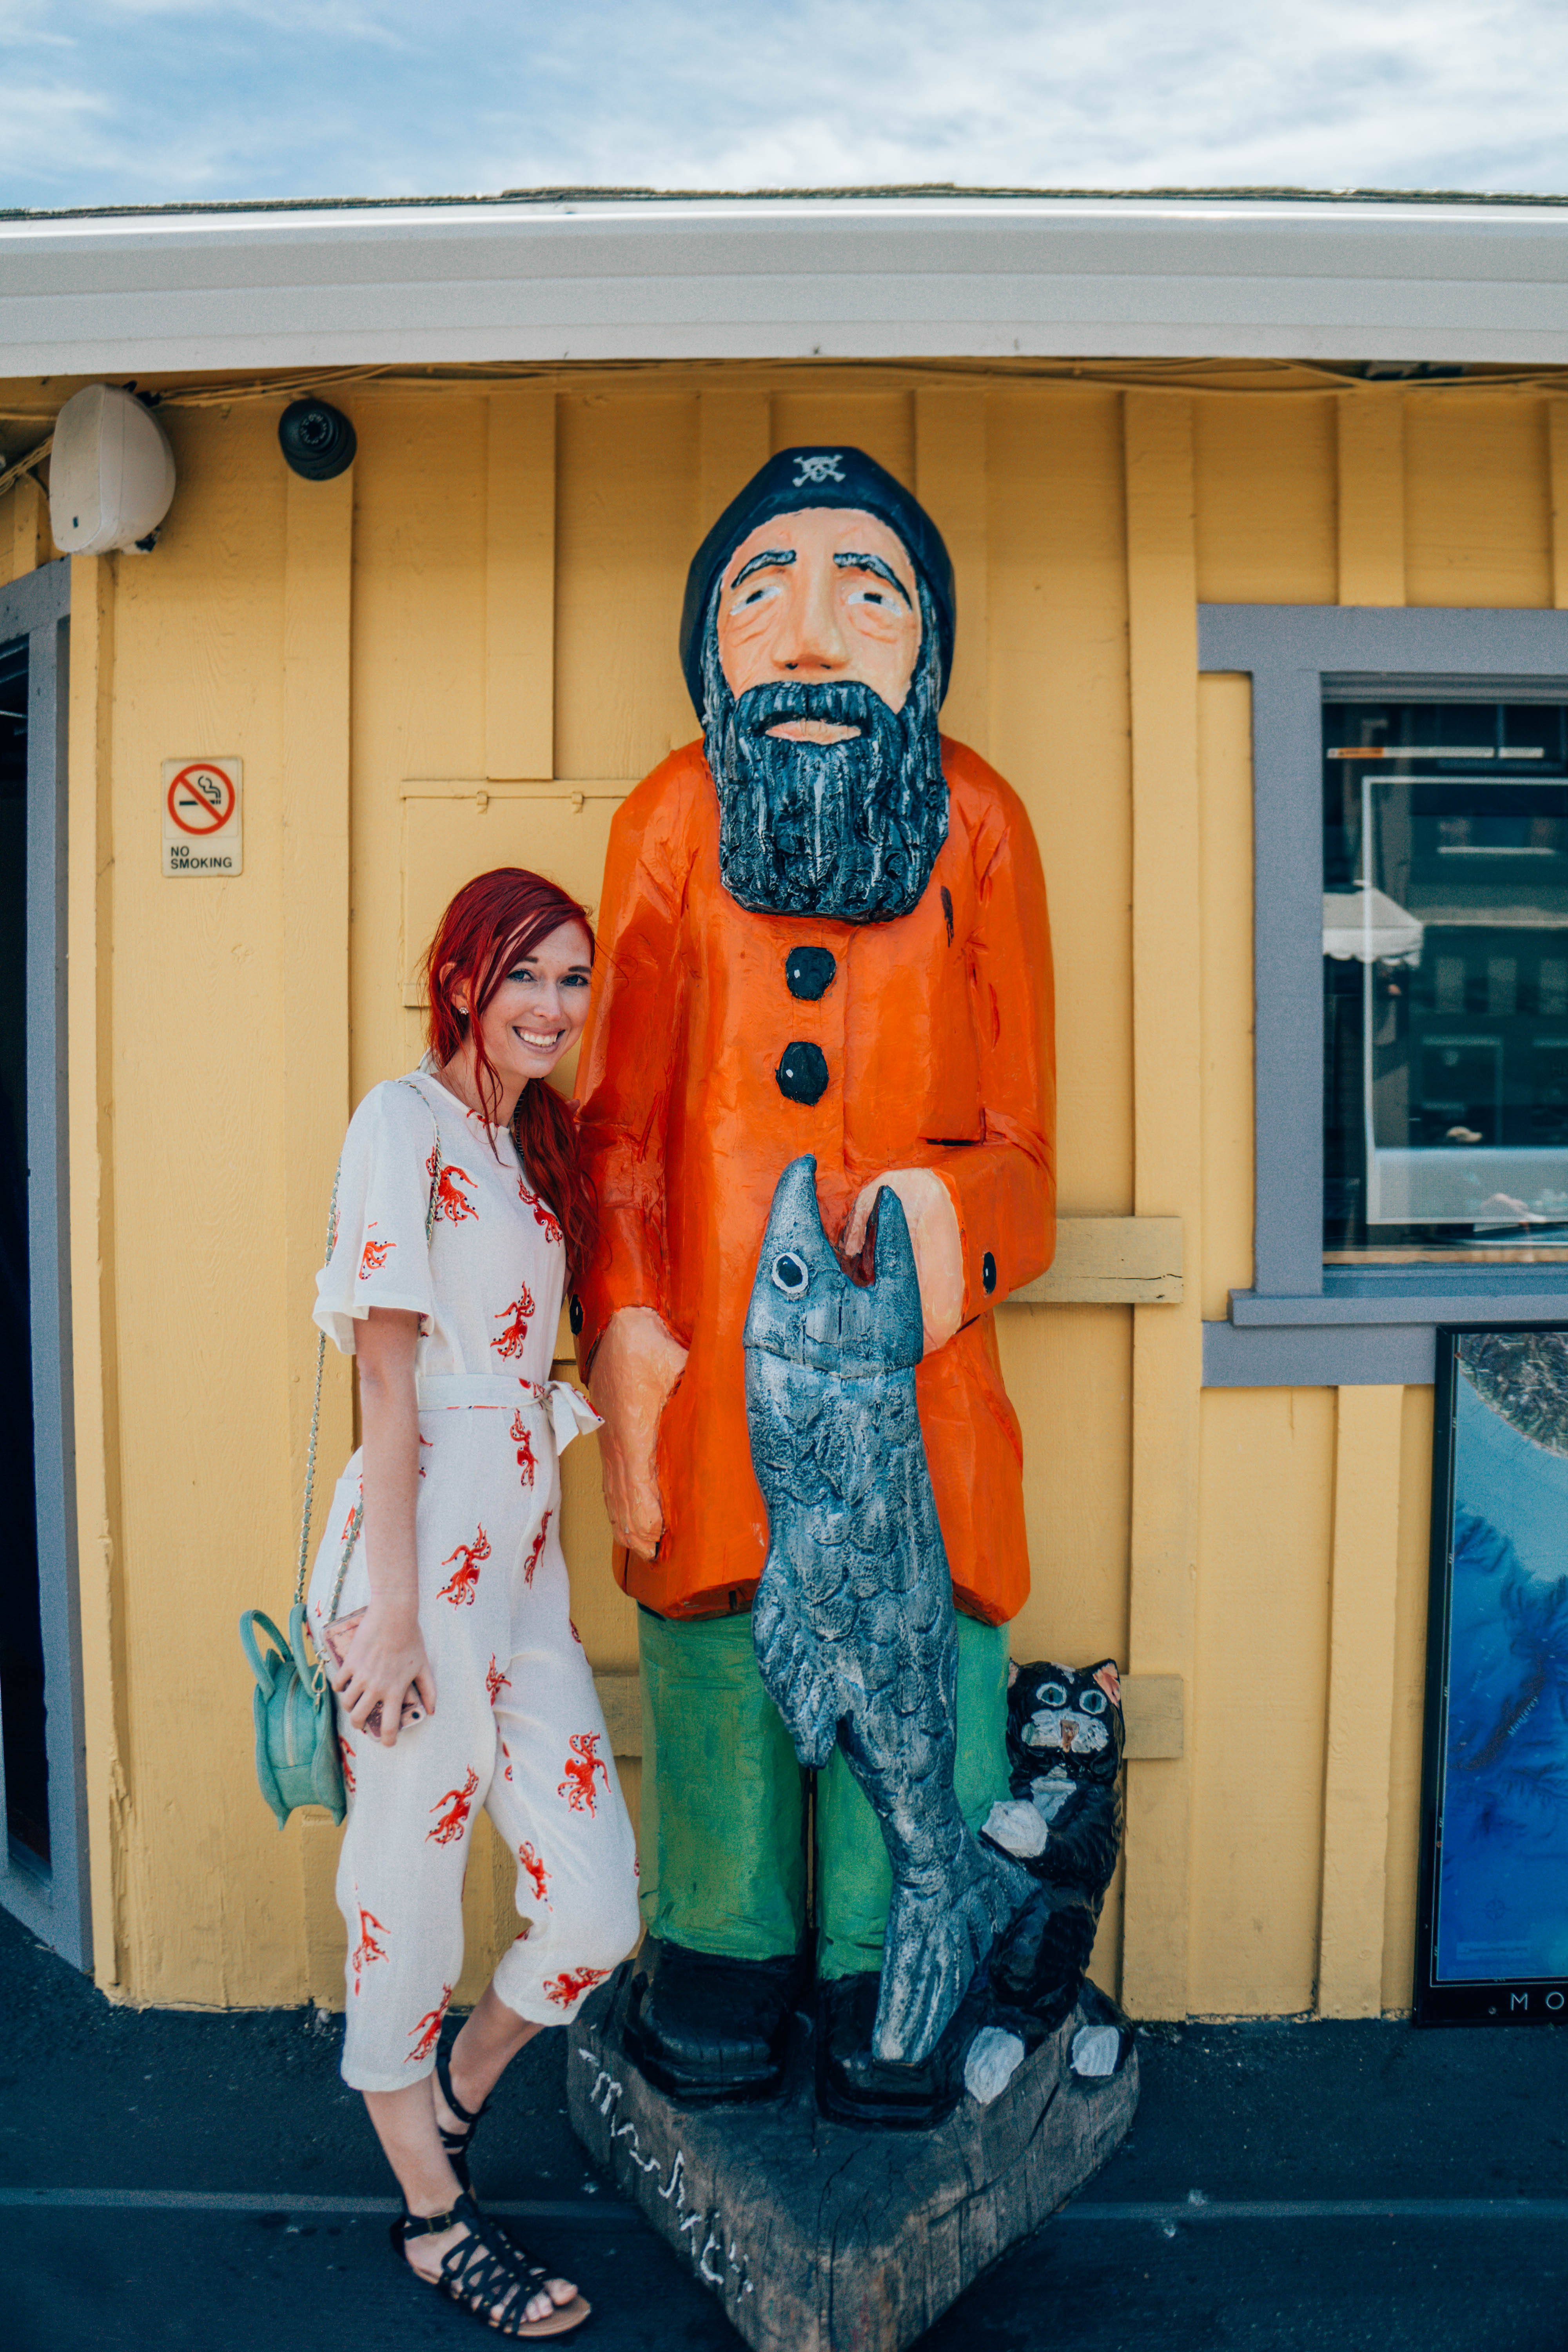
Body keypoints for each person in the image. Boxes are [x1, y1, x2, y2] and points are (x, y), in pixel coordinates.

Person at [573, 446, 1054, 2124]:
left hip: (911, 1374)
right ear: (712, 638)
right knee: (712, 1622)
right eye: (761, 590)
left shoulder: (978, 823)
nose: (808, 635)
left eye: (868, 590)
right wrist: (626, 1322)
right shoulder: (666, 821)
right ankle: (721, 1938)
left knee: (912, 1635)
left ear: (925, 637)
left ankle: (885, 1950)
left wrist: (940, 1235)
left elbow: (1021, 1147)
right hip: (710, 1359)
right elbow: (618, 1127)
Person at [309, 866, 639, 2338]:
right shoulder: (404, 1123)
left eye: (573, 981)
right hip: (418, 1556)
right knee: (406, 1888)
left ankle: (455, 2088)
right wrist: (389, 1612)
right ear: (462, 978)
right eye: (527, 977)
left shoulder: (527, 1152)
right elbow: (384, 1372)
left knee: (593, 1904)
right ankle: (436, 2224)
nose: (554, 1008)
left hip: (521, 1572)